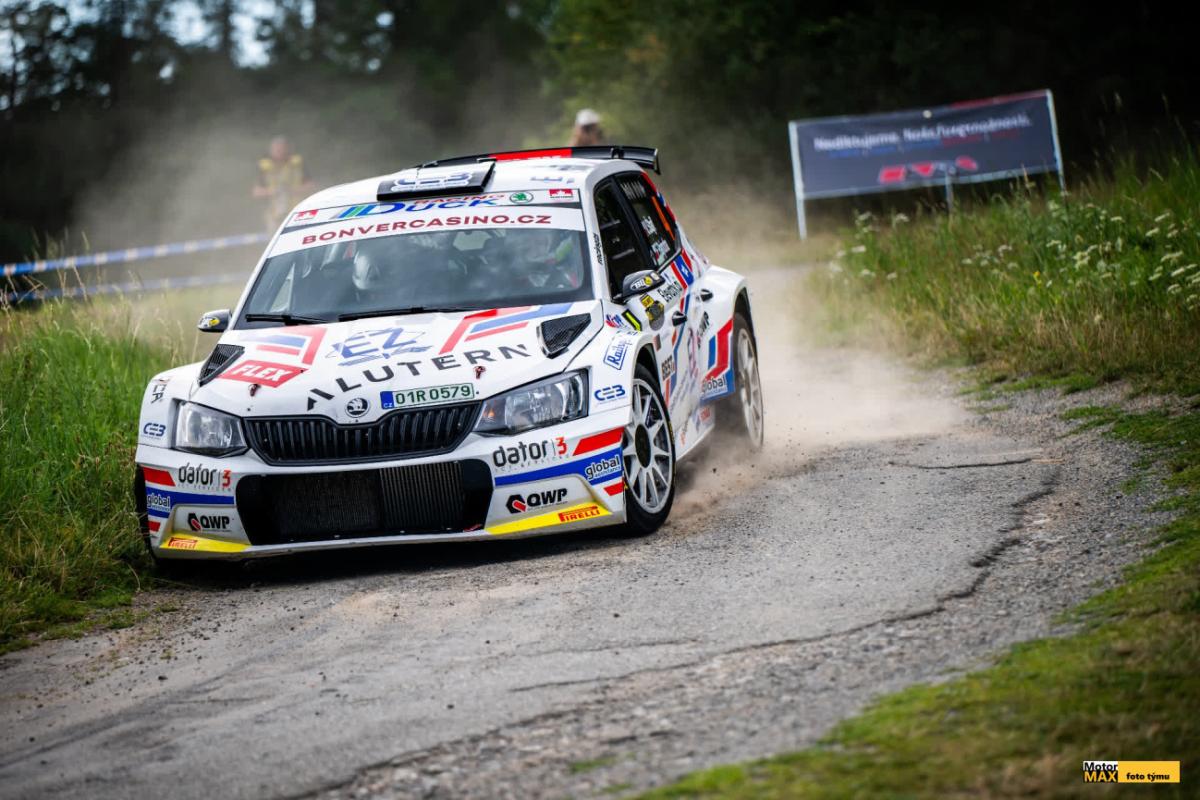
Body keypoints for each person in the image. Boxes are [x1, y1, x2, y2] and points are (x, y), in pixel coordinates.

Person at [253, 136, 316, 232]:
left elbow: (311, 186)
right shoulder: (264, 167)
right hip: (274, 214)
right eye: (276, 149)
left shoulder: (298, 164)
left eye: (282, 148)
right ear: (271, 150)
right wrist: (274, 192)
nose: (279, 151)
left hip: (299, 211)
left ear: (288, 149)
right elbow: (256, 192)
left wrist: (291, 191)